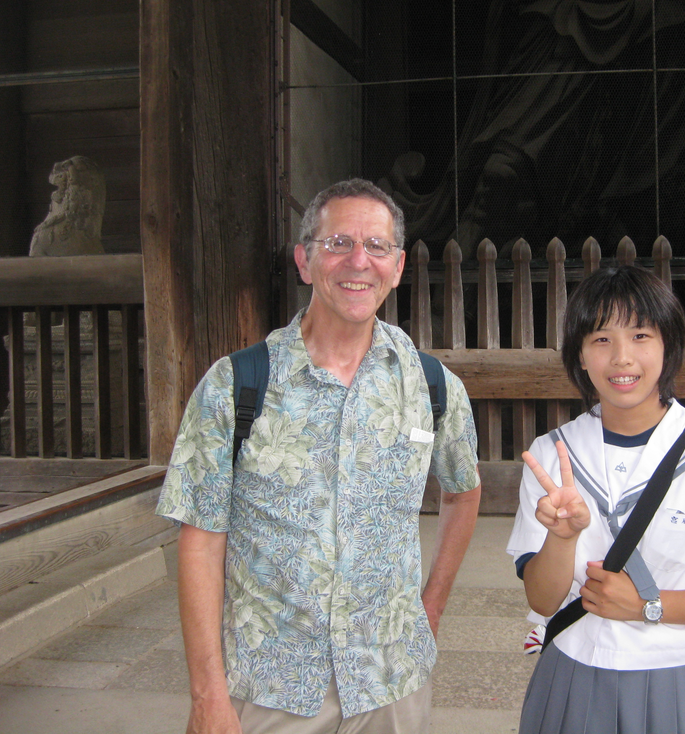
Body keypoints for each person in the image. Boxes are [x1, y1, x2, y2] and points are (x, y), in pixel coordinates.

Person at [157, 178, 482, 734]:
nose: (359, 261)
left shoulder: (431, 386)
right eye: (338, 243)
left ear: (397, 266)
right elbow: (202, 540)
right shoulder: (235, 385)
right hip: (270, 684)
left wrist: (430, 607)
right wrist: (207, 693)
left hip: (391, 680)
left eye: (376, 246)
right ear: (304, 261)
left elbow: (463, 491)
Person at [506, 265, 685, 733]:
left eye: (640, 336)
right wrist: (562, 538)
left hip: (681, 680)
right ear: (579, 356)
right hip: (573, 672)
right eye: (601, 339)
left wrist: (647, 606)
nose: (622, 358)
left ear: (667, 346)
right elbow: (542, 598)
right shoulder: (551, 454)